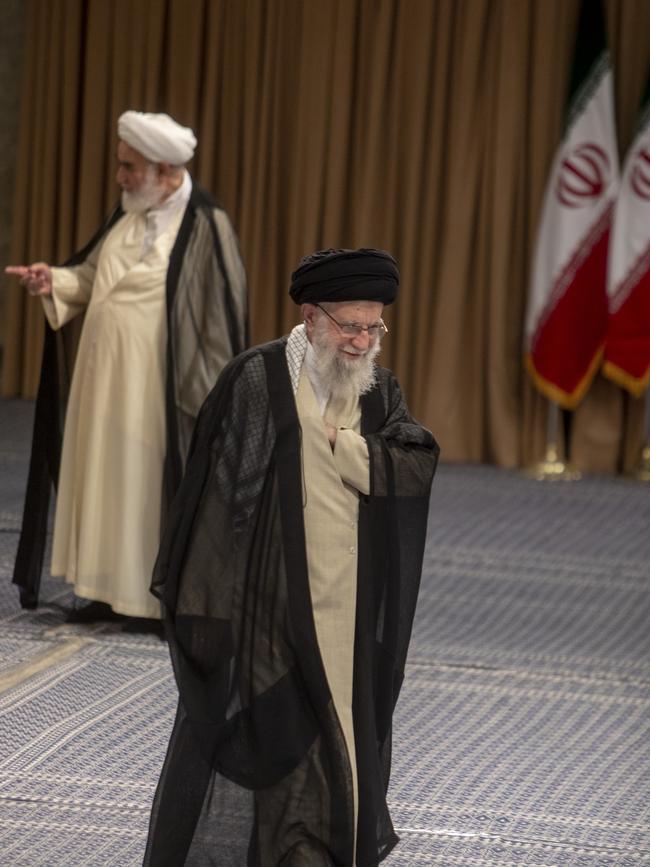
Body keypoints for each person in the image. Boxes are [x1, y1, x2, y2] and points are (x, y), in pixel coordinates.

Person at [144, 248, 439, 865]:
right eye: (349, 325)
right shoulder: (257, 378)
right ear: (311, 317)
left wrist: (340, 443)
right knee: (282, 741)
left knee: (343, 743)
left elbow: (413, 463)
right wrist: (213, 604)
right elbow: (216, 492)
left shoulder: (379, 392)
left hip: (348, 607)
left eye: (373, 326)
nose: (362, 341)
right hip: (271, 607)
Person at [6, 110, 248, 625]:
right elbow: (94, 276)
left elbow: (220, 318)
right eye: (120, 165)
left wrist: (209, 399)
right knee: (101, 481)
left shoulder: (206, 223)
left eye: (129, 168)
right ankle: (101, 590)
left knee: (142, 488)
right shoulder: (128, 212)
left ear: (165, 170)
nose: (119, 177)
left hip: (155, 391)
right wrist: (55, 281)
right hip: (101, 383)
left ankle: (146, 600)